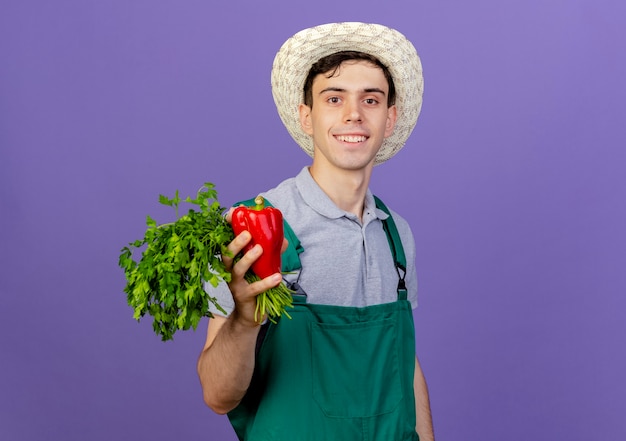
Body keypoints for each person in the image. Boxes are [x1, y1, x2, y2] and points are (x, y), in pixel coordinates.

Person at [197, 22, 434, 441]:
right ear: (306, 116)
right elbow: (218, 396)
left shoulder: (397, 235)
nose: (353, 114)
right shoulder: (252, 229)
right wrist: (245, 321)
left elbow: (405, 366)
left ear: (390, 117)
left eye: (371, 99)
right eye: (334, 98)